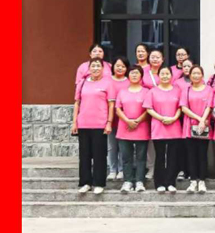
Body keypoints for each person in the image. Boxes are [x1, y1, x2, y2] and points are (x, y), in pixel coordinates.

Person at [72, 59, 116, 194]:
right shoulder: (82, 83)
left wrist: (109, 122)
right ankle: (85, 182)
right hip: (83, 124)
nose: (95, 68)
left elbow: (111, 105)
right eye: (93, 66)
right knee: (84, 155)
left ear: (103, 68)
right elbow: (77, 103)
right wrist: (74, 122)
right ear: (89, 68)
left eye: (98, 66)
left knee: (99, 155)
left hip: (100, 124)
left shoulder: (108, 83)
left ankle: (99, 183)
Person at [144, 66, 183, 193]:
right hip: (158, 127)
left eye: (167, 74)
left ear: (171, 76)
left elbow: (181, 107)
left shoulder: (177, 91)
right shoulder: (152, 91)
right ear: (158, 76)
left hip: (174, 127)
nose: (165, 76)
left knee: (173, 156)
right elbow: (149, 108)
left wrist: (174, 118)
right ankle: (159, 183)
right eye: (162, 74)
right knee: (160, 156)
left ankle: (171, 182)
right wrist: (161, 118)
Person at [113, 64, 149, 193]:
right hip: (124, 128)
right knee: (126, 157)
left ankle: (139, 181)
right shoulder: (122, 92)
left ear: (141, 76)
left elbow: (148, 109)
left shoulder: (146, 92)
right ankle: (127, 181)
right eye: (132, 73)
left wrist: (137, 121)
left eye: (137, 73)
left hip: (142, 128)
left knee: (141, 157)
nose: (134, 75)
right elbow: (118, 109)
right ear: (128, 75)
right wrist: (128, 121)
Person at [179, 65, 214, 193]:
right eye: (193, 73)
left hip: (204, 126)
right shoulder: (186, 90)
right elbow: (184, 107)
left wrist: (203, 120)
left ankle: (202, 181)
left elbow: (209, 106)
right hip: (189, 126)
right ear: (190, 75)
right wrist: (199, 119)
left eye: (198, 73)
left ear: (202, 75)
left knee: (202, 154)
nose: (196, 75)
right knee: (191, 154)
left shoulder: (209, 90)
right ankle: (193, 181)